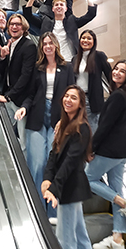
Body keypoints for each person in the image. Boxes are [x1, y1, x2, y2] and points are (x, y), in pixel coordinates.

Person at [15, 32, 74, 219]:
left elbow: (72, 95)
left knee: (54, 164)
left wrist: (65, 119)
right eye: (44, 43)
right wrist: (24, 107)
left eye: (50, 43)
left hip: (59, 120)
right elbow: (31, 94)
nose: (47, 46)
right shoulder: (38, 68)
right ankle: (37, 211)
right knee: (37, 163)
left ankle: (53, 211)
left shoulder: (66, 68)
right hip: (37, 118)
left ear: (56, 45)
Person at [86, 59, 126, 249]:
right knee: (116, 188)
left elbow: (105, 126)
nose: (117, 72)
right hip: (123, 151)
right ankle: (117, 239)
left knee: (87, 178)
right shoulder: (125, 96)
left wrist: (91, 148)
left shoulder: (117, 96)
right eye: (116, 69)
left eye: (122, 71)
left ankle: (122, 202)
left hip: (110, 150)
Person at [42, 85, 92, 249]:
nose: (68, 100)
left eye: (74, 98)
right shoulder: (63, 125)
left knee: (65, 240)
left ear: (80, 105)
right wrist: (47, 179)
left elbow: (69, 162)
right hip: (70, 189)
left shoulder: (81, 128)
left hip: (71, 187)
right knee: (80, 235)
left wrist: (54, 189)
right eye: (66, 96)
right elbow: (53, 154)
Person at [0, 14, 37, 151]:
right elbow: (3, 72)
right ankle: (15, 156)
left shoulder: (29, 46)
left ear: (24, 28)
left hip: (20, 100)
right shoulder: (9, 44)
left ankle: (24, 170)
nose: (14, 27)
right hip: (9, 97)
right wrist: (2, 57)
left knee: (23, 141)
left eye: (18, 24)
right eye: (11, 24)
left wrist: (8, 96)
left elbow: (26, 75)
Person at [23, 0, 97, 62]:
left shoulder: (72, 21)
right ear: (53, 9)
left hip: (69, 60)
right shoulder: (46, 21)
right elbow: (28, 16)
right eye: (56, 5)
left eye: (61, 5)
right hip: (49, 61)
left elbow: (90, 15)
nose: (59, 6)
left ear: (66, 8)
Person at [72, 30, 113, 133]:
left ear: (94, 41)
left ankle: (93, 150)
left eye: (89, 38)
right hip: (77, 99)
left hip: (91, 100)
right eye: (83, 38)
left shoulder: (99, 56)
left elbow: (110, 75)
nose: (85, 40)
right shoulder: (75, 59)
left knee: (92, 132)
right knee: (78, 132)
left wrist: (115, 92)